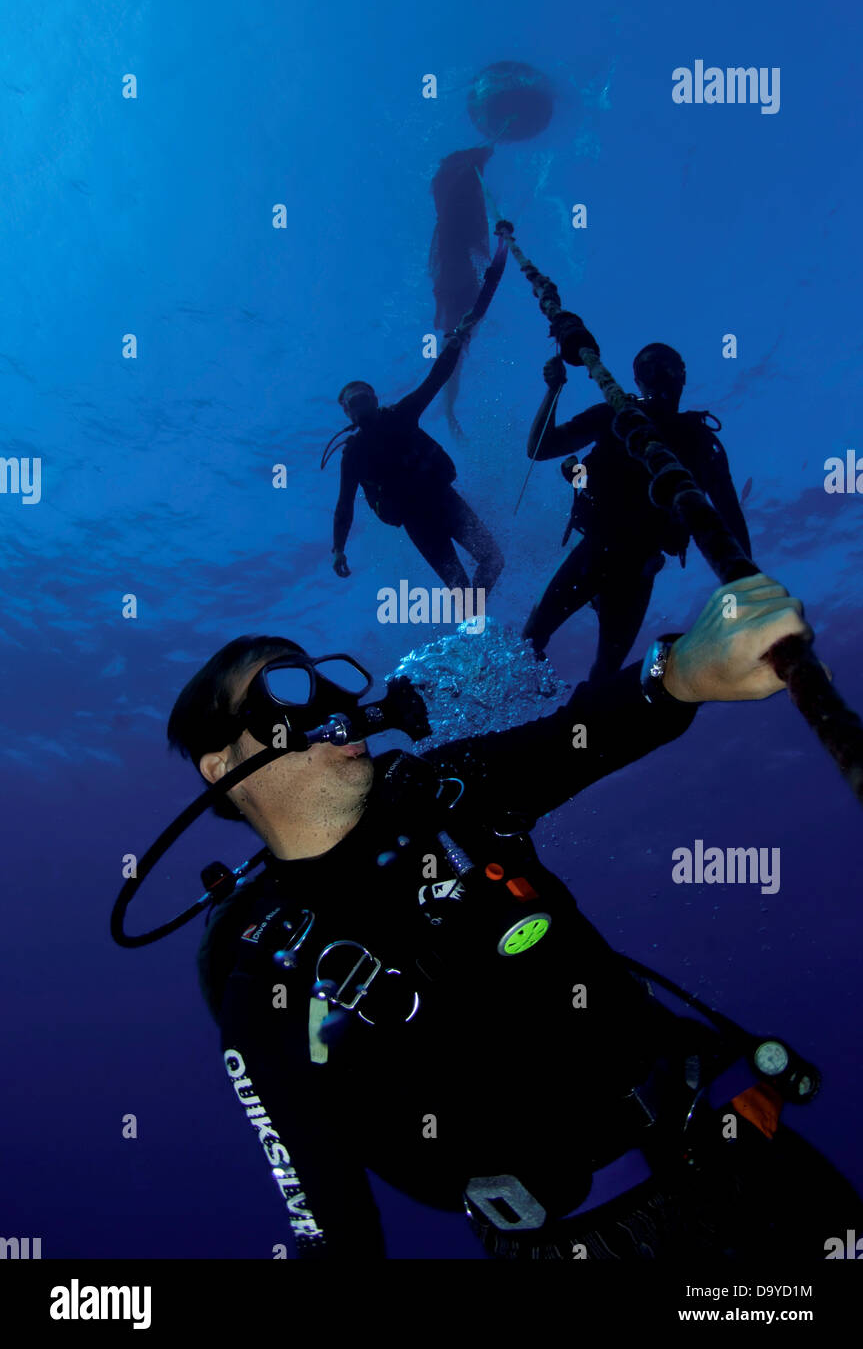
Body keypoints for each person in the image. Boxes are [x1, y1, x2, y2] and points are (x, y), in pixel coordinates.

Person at [167, 576, 863, 1260]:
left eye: (327, 678)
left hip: (743, 1143)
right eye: (284, 686)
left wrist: (682, 668)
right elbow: (328, 1217)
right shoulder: (265, 973)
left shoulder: (442, 794)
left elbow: (576, 736)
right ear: (220, 762)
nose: (333, 699)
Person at [522, 343, 752, 679]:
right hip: (602, 552)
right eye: (650, 369)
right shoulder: (616, 415)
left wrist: (744, 588)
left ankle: (585, 722)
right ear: (637, 379)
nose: (660, 377)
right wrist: (553, 389)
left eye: (668, 369)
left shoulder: (700, 442)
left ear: (682, 378)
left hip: (635, 565)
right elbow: (540, 448)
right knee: (531, 641)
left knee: (603, 672)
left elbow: (732, 522)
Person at [331, 318, 504, 592]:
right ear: (347, 413)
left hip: (446, 500)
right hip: (417, 521)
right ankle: (475, 624)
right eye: (353, 403)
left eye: (363, 397)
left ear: (376, 401)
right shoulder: (353, 454)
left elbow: (436, 378)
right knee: (459, 586)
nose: (360, 405)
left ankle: (475, 616)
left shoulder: (402, 414)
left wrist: (455, 343)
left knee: (493, 559)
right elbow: (345, 505)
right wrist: (338, 548)